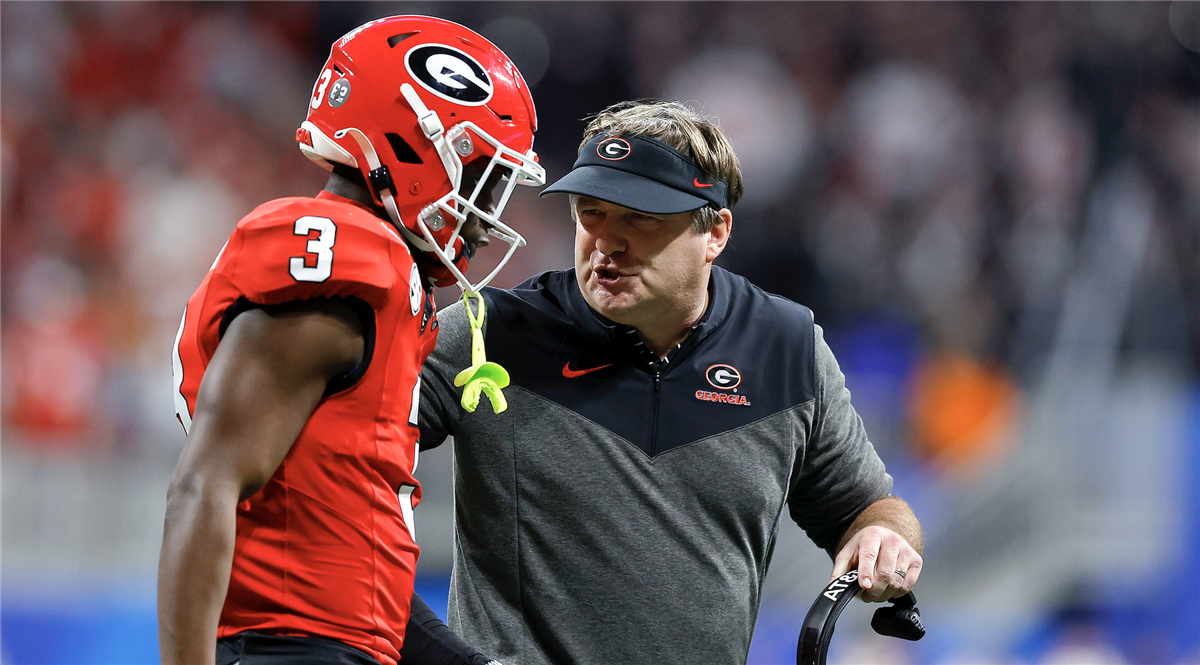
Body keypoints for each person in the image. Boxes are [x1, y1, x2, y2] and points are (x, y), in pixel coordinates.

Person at [417, 101, 924, 664]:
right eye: (592, 213)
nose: (607, 241)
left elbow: (871, 508)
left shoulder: (787, 350)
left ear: (716, 233)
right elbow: (334, 468)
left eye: (642, 218)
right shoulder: (487, 333)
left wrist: (884, 536)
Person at [158, 16, 546, 665]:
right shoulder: (344, 265)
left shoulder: (386, 278)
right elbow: (203, 484)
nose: (488, 215)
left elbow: (360, 573)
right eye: (483, 178)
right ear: (418, 143)